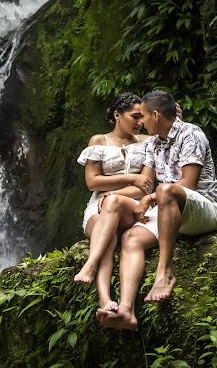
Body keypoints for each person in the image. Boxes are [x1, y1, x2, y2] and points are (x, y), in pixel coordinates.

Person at [97, 89, 217, 330]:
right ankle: (126, 311)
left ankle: (165, 273)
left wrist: (152, 196)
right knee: (131, 237)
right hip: (167, 209)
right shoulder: (153, 143)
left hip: (203, 207)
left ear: (155, 115)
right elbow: (145, 183)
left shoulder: (191, 134)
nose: (140, 122)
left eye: (142, 116)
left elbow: (189, 183)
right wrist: (114, 195)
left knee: (165, 190)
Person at [73, 93, 153, 312]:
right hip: (98, 207)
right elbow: (92, 182)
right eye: (135, 116)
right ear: (117, 115)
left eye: (143, 117)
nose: (140, 122)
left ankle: (90, 266)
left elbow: (145, 186)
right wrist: (131, 177)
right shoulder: (98, 141)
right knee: (105, 231)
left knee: (111, 211)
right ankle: (105, 298)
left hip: (132, 207)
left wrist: (116, 194)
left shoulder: (147, 142)